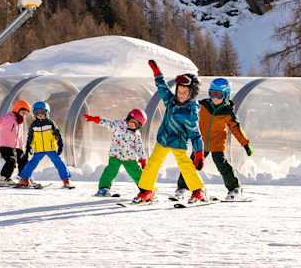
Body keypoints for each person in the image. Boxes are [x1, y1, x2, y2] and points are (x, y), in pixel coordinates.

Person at [132, 61, 205, 203]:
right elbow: (162, 88)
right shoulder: (171, 101)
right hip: (163, 139)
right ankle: (147, 190)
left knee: (185, 166)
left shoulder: (190, 113)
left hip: (178, 142)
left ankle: (198, 191)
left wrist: (199, 153)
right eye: (179, 91)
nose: (180, 95)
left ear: (192, 94)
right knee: (153, 163)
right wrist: (157, 73)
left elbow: (195, 134)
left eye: (185, 92)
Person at [172, 77, 253, 201]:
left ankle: (235, 189)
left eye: (218, 95)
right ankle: (182, 188)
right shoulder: (203, 106)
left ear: (226, 95)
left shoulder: (227, 112)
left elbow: (236, 129)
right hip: (201, 143)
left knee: (222, 165)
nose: (214, 98)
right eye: (212, 94)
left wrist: (245, 144)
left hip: (217, 144)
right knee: (189, 165)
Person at [83, 108, 148, 196]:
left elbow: (139, 148)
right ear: (128, 118)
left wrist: (143, 159)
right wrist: (97, 119)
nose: (132, 125)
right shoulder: (119, 125)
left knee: (137, 173)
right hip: (115, 155)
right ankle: (103, 189)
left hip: (129, 158)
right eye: (132, 121)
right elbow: (108, 123)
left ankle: (145, 190)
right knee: (110, 171)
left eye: (136, 124)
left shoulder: (136, 135)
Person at [16, 101, 74, 189]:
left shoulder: (50, 123)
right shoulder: (33, 125)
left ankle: (66, 180)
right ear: (34, 113)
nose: (39, 114)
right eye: (37, 112)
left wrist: (60, 143)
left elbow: (57, 134)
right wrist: (28, 147)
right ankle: (24, 179)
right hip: (39, 149)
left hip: (50, 148)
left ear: (47, 112)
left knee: (59, 163)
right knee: (32, 163)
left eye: (42, 112)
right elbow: (30, 137)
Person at [0, 99, 30, 185]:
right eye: (23, 112)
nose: (24, 114)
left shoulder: (20, 121)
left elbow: (19, 136)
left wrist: (21, 147)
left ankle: (24, 178)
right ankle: (4, 178)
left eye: (26, 113)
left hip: (16, 147)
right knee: (11, 161)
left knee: (23, 160)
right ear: (17, 109)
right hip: (5, 145)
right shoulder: (9, 117)